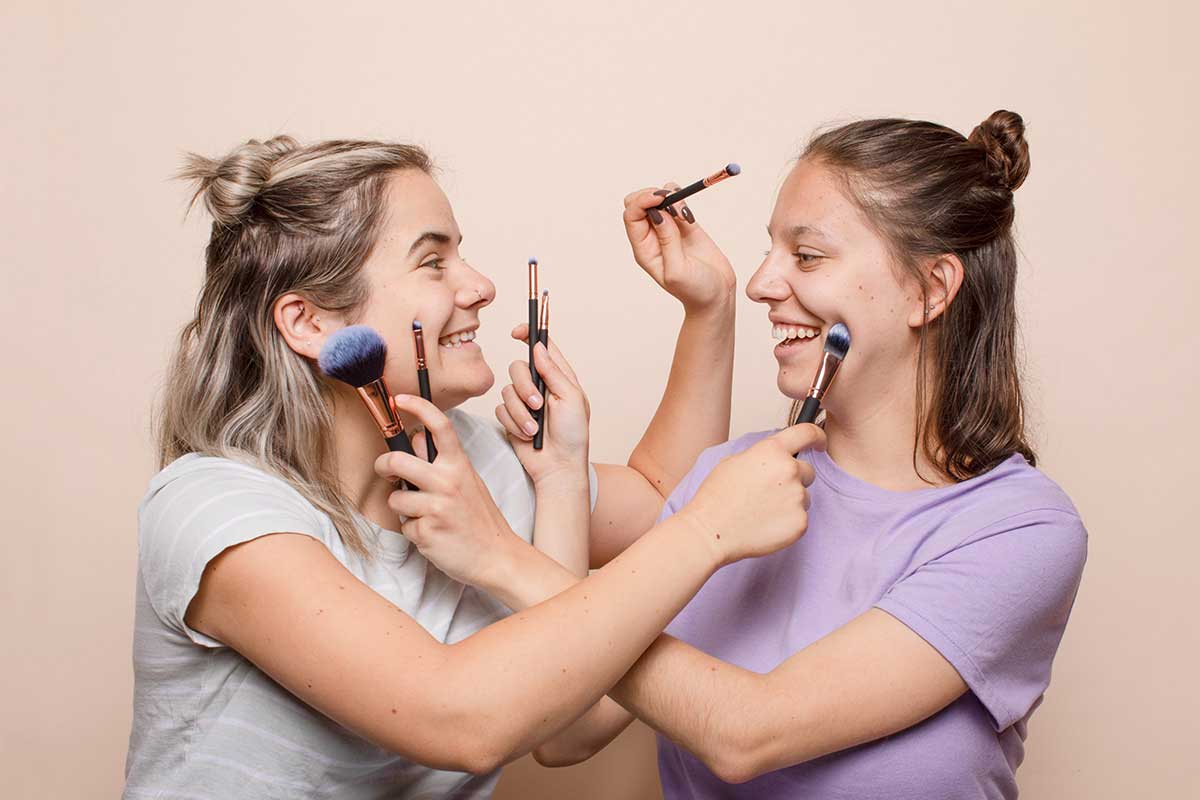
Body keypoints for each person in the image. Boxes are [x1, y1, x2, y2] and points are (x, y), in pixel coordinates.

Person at [124, 136, 821, 799]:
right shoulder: (214, 510)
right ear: (309, 322)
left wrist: (709, 309)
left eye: (462, 255)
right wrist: (708, 535)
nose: (481, 286)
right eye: (433, 262)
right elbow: (459, 717)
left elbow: (661, 502)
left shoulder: (465, 461)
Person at [493, 111, 1088, 799]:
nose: (761, 284)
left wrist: (503, 563)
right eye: (772, 251)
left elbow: (748, 732)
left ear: (931, 289)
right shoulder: (732, 484)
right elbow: (565, 732)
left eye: (806, 256)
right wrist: (563, 476)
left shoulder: (1019, 531)